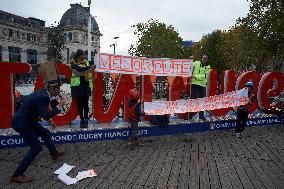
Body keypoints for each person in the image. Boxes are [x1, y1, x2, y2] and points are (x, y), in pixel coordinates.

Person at [10, 81, 66, 183]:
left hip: (28, 120)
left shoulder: (43, 93)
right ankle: (16, 175)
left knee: (45, 133)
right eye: (58, 89)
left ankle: (54, 154)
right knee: (36, 148)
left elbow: (41, 111)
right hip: (22, 123)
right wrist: (59, 106)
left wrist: (50, 121)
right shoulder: (43, 97)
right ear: (52, 89)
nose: (59, 91)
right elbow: (45, 115)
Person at [70, 49, 94, 128]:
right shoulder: (73, 63)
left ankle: (86, 120)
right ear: (78, 55)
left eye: (84, 55)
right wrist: (88, 68)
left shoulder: (87, 62)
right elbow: (77, 68)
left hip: (86, 86)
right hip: (77, 87)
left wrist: (89, 67)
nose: (84, 56)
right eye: (83, 54)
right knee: (79, 105)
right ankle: (81, 119)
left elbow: (95, 65)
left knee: (85, 105)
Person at [189, 55, 211, 120]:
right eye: (203, 57)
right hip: (194, 84)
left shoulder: (208, 67)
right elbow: (189, 65)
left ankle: (201, 115)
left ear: (207, 60)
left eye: (205, 58)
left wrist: (195, 76)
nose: (204, 59)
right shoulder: (196, 63)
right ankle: (190, 115)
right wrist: (190, 60)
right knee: (192, 100)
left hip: (202, 85)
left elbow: (204, 76)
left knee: (202, 100)